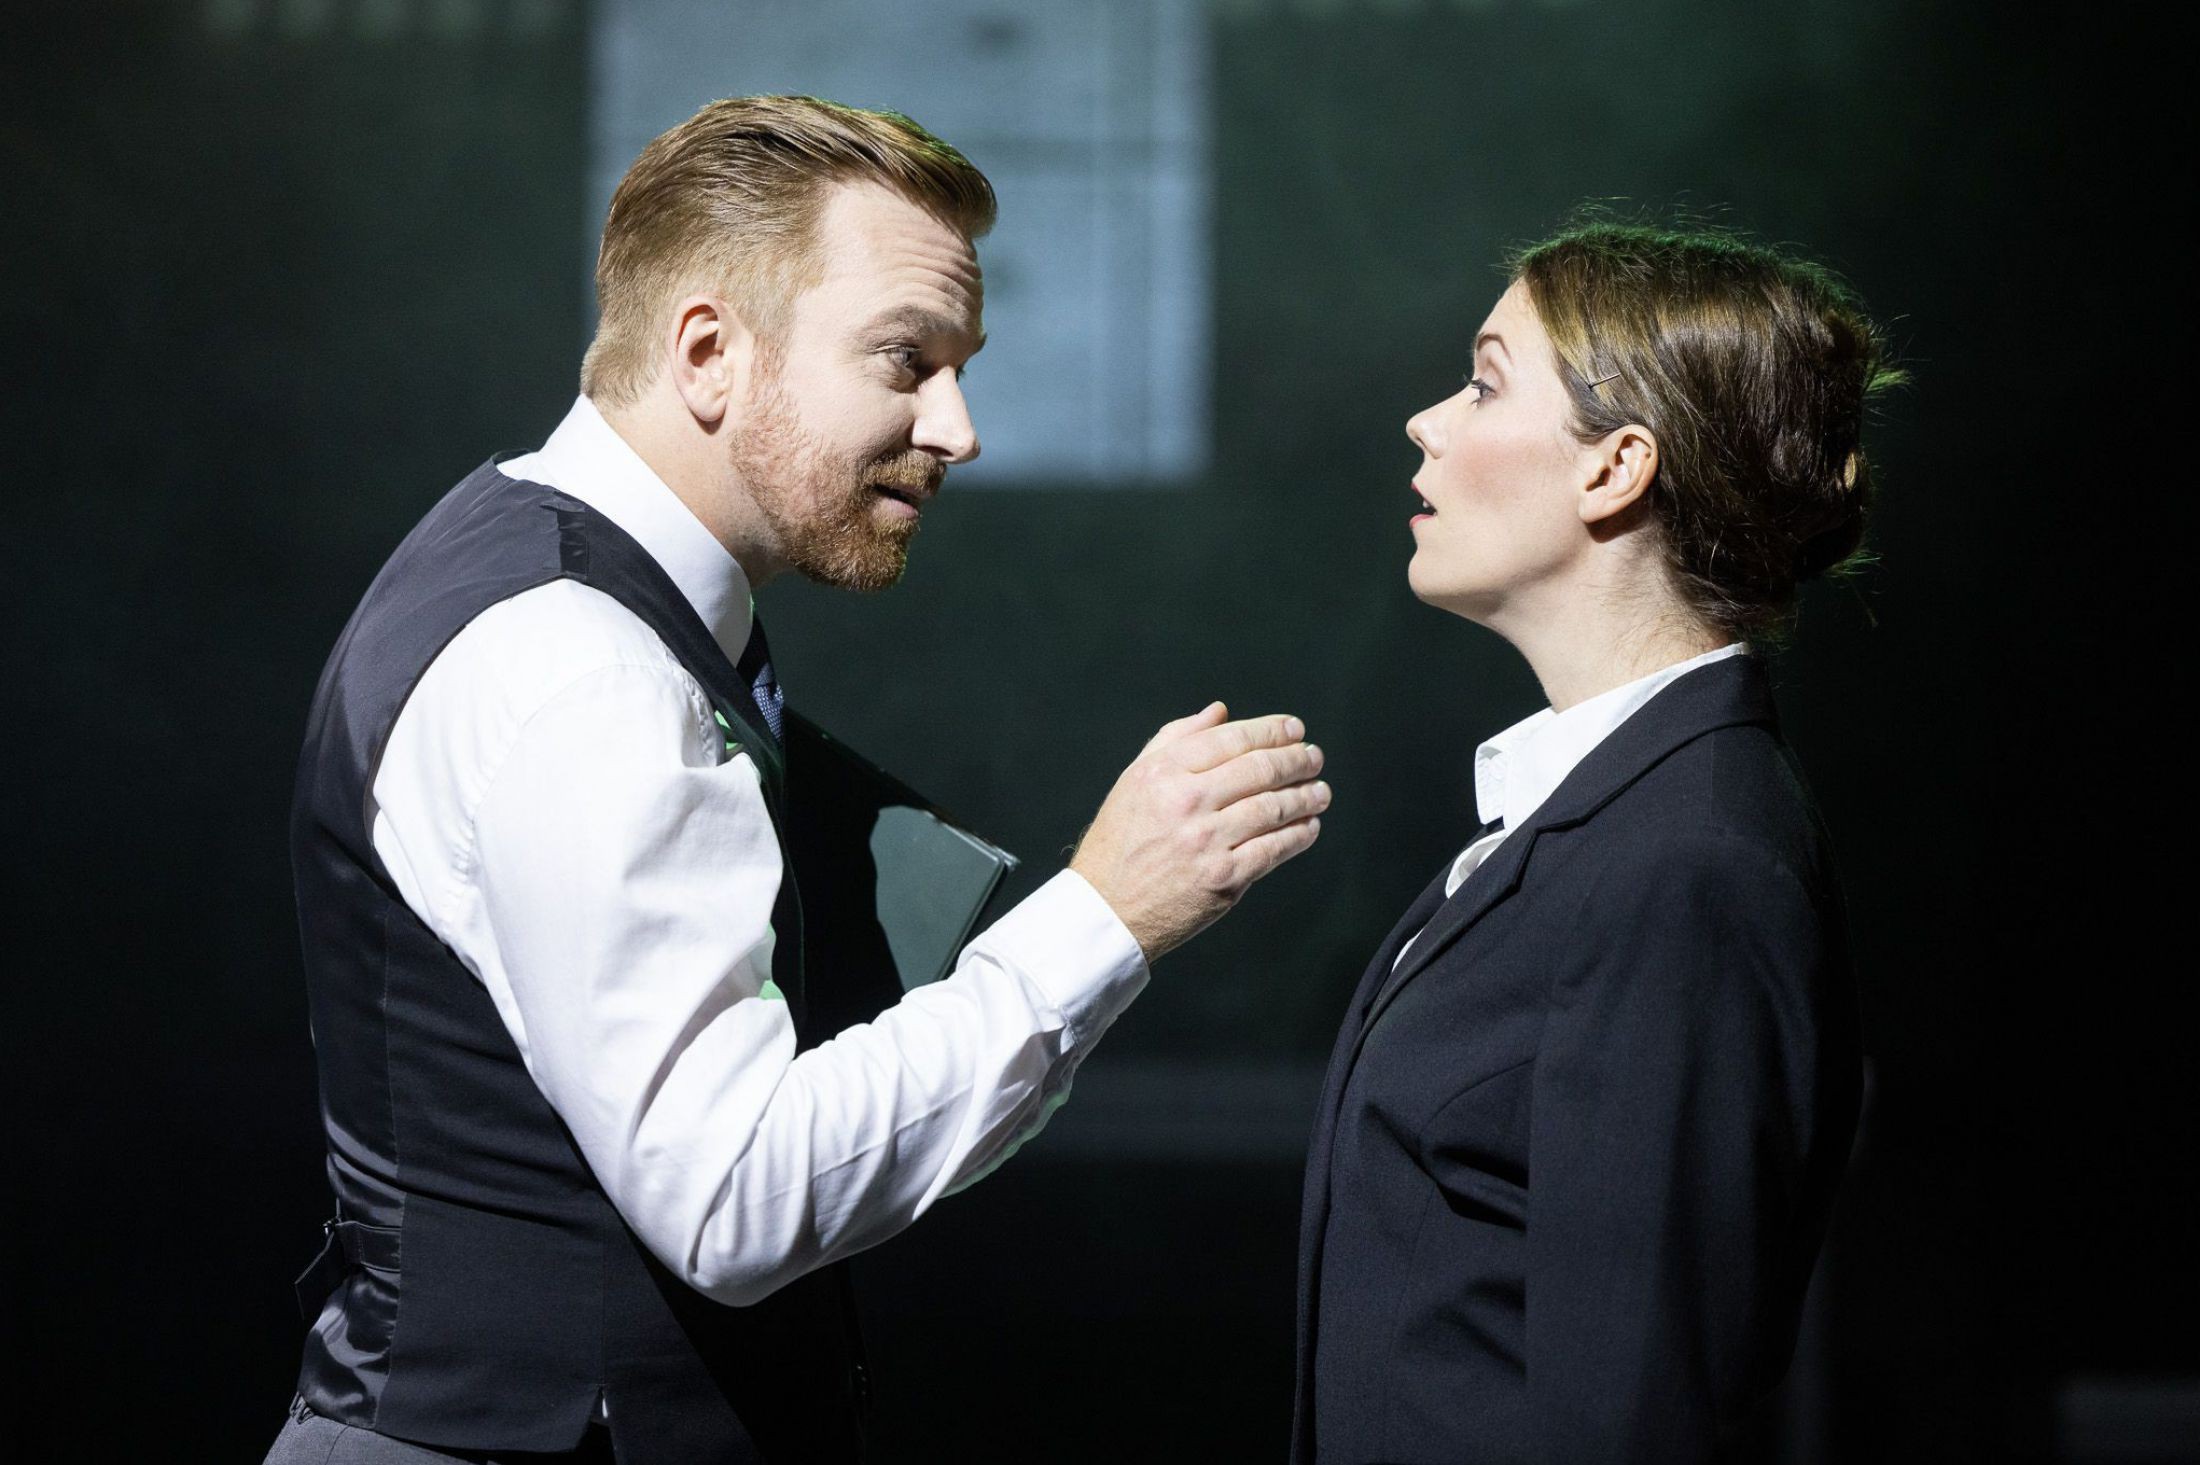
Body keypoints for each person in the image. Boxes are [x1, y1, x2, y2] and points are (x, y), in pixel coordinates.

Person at [268, 96, 1330, 1465]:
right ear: (710, 352)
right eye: (905, 359)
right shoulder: (584, 671)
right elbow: (731, 1197)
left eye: (961, 369)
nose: (958, 428)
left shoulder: (543, 576)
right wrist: (1107, 914)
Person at [1293, 220, 1900, 1462]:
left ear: (1616, 467)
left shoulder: (1689, 865)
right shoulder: (1610, 818)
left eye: (1483, 382)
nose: (1426, 422)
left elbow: (1636, 1411)